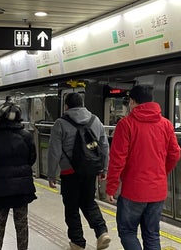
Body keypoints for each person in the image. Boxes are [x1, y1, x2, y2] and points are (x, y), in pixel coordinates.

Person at [106, 85, 181, 250]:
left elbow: (117, 160)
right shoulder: (166, 124)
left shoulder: (125, 125)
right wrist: (161, 172)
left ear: (132, 102)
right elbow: (175, 154)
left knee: (127, 231)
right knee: (152, 233)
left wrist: (111, 187)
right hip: (157, 190)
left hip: (133, 191)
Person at [47, 93, 111, 250]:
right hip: (90, 171)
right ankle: (102, 232)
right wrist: (104, 168)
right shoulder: (95, 120)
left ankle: (77, 243)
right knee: (89, 202)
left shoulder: (60, 123)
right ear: (82, 104)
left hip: (70, 173)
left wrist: (51, 174)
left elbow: (54, 151)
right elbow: (104, 146)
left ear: (66, 106)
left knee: (71, 208)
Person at [0, 102, 37, 250]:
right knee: (22, 223)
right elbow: (32, 159)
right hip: (22, 188)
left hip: (0, 188)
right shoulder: (27, 136)